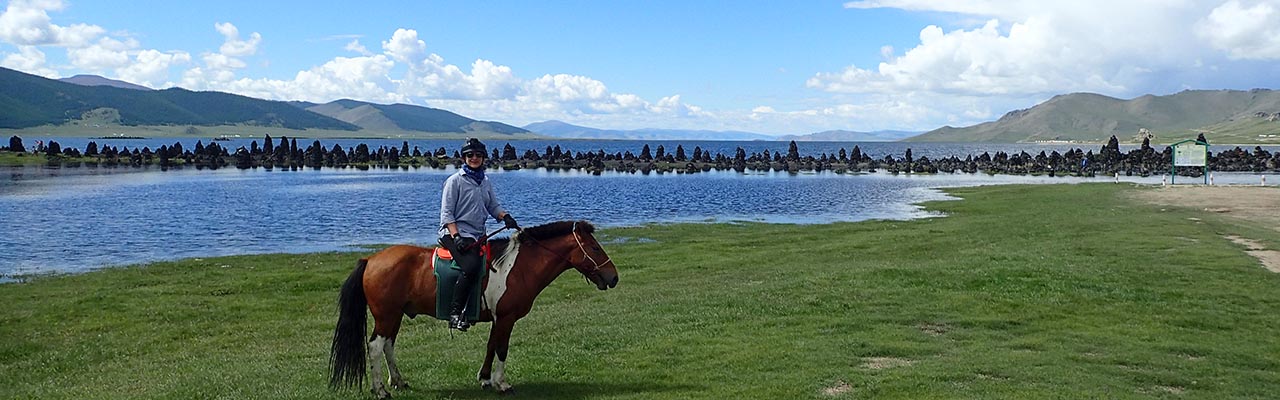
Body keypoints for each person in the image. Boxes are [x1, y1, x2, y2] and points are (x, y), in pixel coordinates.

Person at [439, 138, 519, 331]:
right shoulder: (454, 181)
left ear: (483, 158)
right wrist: (456, 236)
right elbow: (447, 213)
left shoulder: (485, 181)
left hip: (476, 236)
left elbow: (492, 206)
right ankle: (455, 314)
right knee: (471, 266)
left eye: (478, 155)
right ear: (464, 158)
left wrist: (505, 216)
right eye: (470, 155)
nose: (474, 158)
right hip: (453, 234)